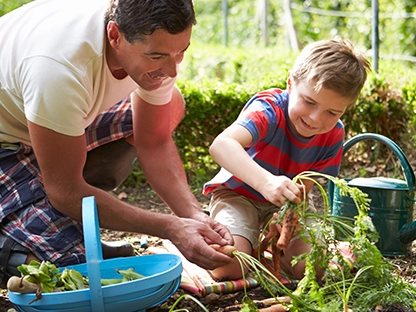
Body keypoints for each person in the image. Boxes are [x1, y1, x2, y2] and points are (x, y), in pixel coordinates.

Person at [0, 0, 234, 287]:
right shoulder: (60, 67)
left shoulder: (148, 40)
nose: (172, 70)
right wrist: (170, 228)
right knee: (73, 270)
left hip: (47, 120)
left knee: (170, 105)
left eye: (181, 52)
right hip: (6, 141)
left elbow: (154, 140)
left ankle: (57, 205)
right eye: (157, 56)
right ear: (114, 35)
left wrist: (194, 216)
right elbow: (65, 190)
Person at [203, 39, 371, 280]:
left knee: (311, 269)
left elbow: (305, 189)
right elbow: (221, 145)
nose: (315, 118)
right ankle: (242, 241)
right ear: (290, 83)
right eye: (309, 101)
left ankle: (269, 247)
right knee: (228, 266)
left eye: (332, 112)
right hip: (239, 194)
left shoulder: (334, 135)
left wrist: (287, 215)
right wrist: (265, 183)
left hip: (287, 204)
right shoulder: (268, 110)